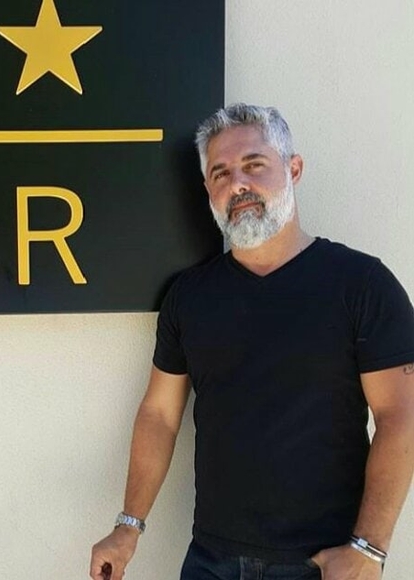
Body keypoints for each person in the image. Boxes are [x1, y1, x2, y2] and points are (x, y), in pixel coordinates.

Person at [89, 104, 414, 580]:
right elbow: (159, 415)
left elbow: (401, 416)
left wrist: (368, 550)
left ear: (293, 169)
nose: (237, 184)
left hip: (323, 564)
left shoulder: (362, 285)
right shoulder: (190, 297)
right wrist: (128, 527)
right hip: (211, 561)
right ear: (208, 190)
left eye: (254, 165)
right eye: (220, 173)